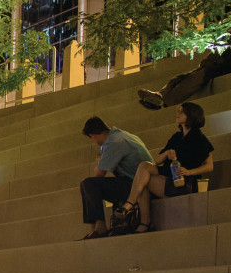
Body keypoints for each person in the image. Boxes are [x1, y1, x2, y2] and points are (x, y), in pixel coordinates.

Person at [111, 102, 214, 234]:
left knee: (143, 180)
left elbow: (209, 166)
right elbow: (155, 162)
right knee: (143, 169)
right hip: (168, 175)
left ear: (191, 115)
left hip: (182, 181)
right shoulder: (177, 137)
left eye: (181, 111)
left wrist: (189, 171)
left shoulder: (199, 139)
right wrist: (166, 154)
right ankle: (135, 210)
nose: (177, 114)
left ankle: (139, 216)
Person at [79, 116, 153, 240]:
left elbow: (99, 174)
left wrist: (99, 162)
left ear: (93, 135)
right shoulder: (120, 135)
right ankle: (95, 229)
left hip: (138, 185)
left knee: (88, 184)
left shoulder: (113, 141)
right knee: (86, 184)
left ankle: (100, 227)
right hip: (136, 180)